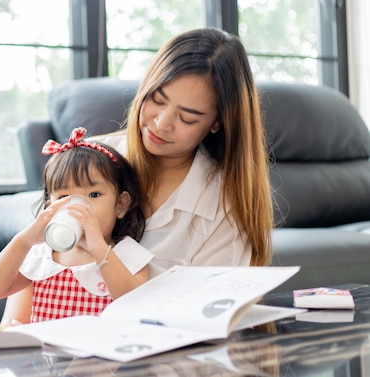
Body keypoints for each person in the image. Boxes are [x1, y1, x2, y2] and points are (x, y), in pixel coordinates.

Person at [102, 26, 273, 276]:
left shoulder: (223, 204)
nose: (161, 123)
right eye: (157, 100)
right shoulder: (92, 158)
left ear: (217, 123)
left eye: (187, 118)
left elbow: (212, 303)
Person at [0, 127, 153, 324]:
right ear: (51, 208)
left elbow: (136, 306)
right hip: (46, 353)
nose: (77, 206)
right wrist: (24, 240)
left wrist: (99, 249)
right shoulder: (42, 256)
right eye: (64, 197)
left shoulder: (127, 255)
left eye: (94, 195)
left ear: (120, 204)